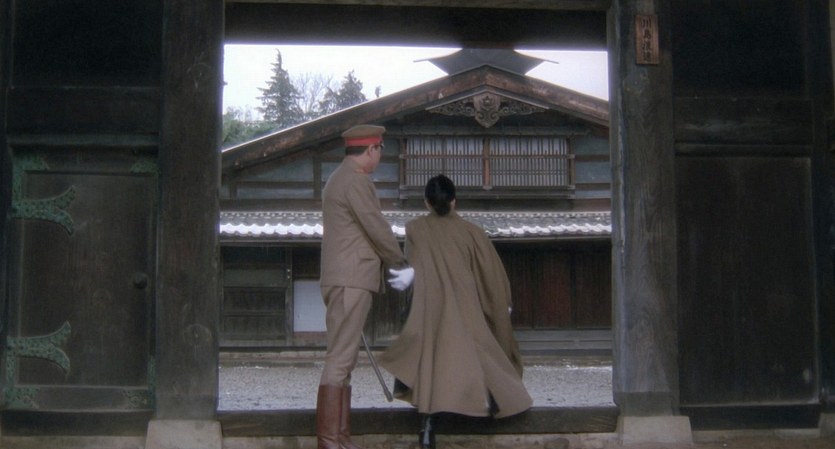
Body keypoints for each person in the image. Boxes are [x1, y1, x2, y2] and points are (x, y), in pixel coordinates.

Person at [378, 174, 532, 449]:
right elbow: (491, 274)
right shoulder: (472, 232)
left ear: (426, 202)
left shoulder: (416, 229)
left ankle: (427, 427)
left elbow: (415, 265)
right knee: (481, 353)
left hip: (432, 309)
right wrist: (500, 303)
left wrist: (414, 277)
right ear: (454, 201)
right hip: (467, 306)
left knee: (431, 360)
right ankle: (489, 404)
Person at [318, 124, 415, 449]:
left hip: (344, 277)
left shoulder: (339, 178)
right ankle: (330, 441)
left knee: (343, 358)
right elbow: (376, 226)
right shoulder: (356, 181)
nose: (380, 156)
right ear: (372, 149)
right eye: (380, 150)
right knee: (340, 359)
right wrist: (400, 262)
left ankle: (339, 438)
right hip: (351, 278)